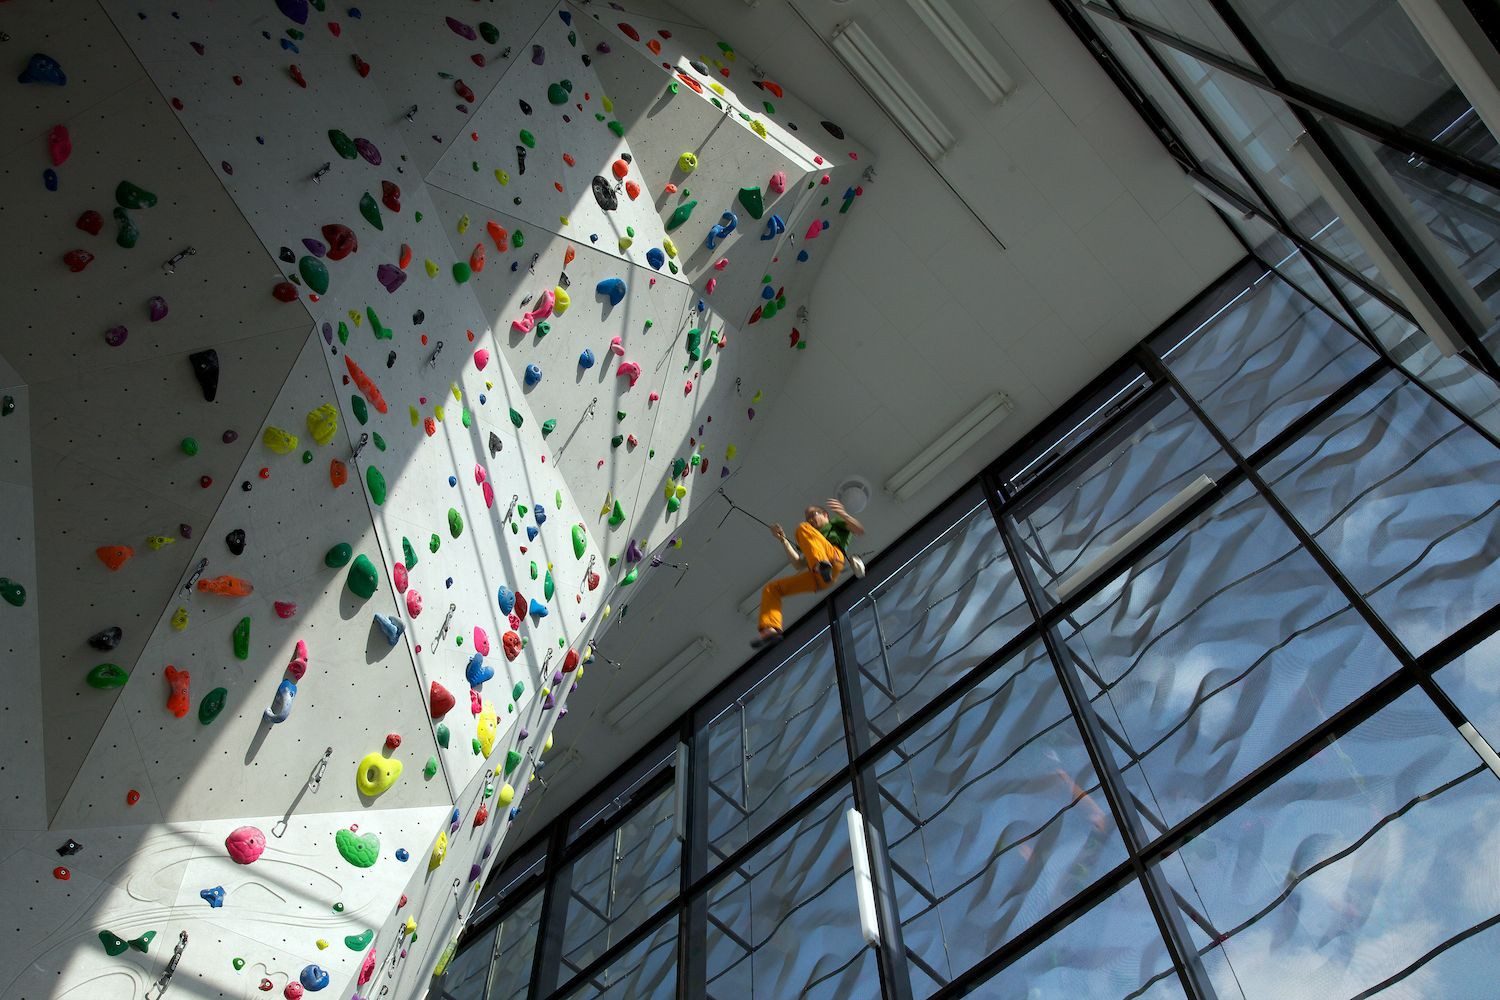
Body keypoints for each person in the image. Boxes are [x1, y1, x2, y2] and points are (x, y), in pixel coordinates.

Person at [752, 499, 866, 648]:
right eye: (808, 518)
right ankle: (770, 629)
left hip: (834, 558)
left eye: (813, 514)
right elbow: (798, 564)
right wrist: (783, 540)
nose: (810, 520)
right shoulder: (811, 539)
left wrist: (842, 513)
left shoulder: (834, 524)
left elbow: (859, 530)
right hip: (820, 578)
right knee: (772, 588)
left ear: (825, 515)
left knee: (802, 528)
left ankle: (820, 565)